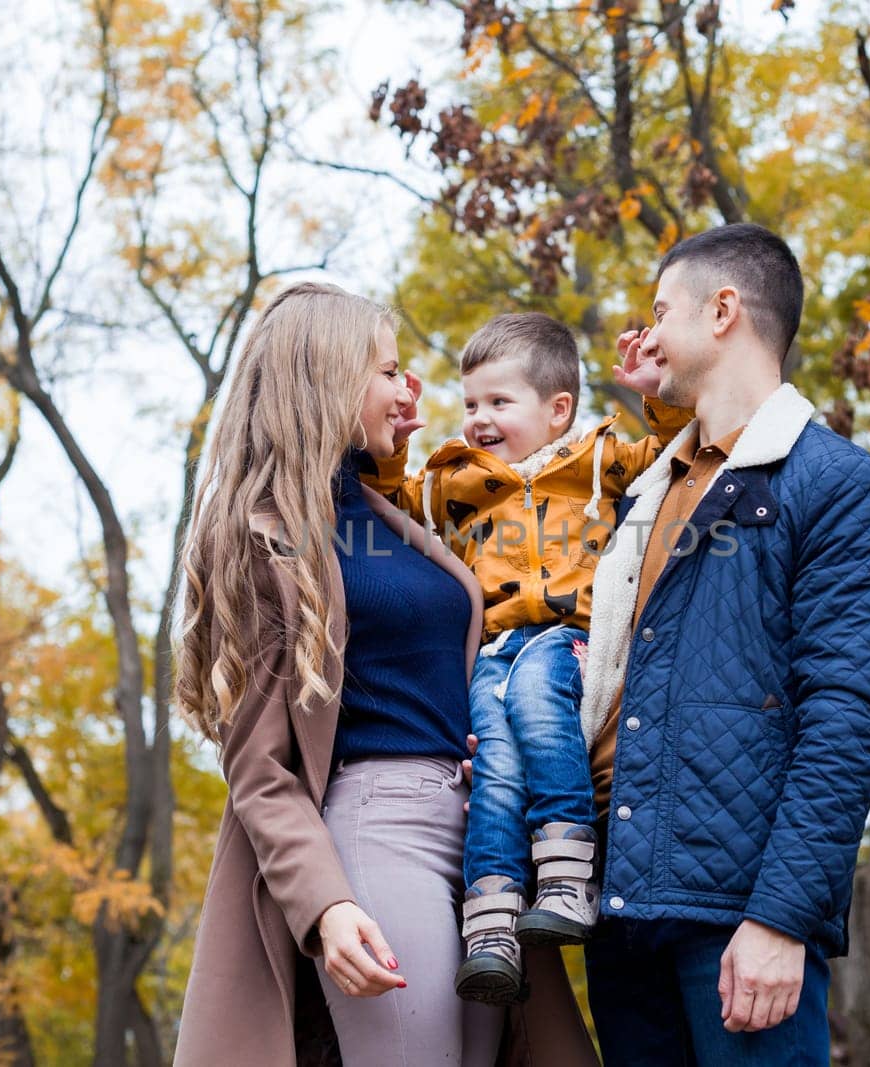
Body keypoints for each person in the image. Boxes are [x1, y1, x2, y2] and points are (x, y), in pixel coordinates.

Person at [172, 282, 596, 1067]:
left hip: (479, 834)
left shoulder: (387, 512)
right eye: (389, 371)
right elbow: (258, 768)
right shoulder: (270, 535)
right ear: (331, 378)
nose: (409, 390)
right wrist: (326, 905)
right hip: (378, 825)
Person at [576, 223, 870, 1065]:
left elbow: (850, 719)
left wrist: (780, 917)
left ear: (723, 310)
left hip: (739, 916)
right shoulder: (651, 491)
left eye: (661, 310)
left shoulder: (835, 485)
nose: (647, 333)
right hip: (624, 905)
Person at [363, 312, 688, 1004]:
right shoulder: (458, 479)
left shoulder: (597, 460)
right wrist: (392, 446)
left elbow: (667, 452)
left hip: (572, 641)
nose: (478, 418)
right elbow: (391, 503)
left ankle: (570, 870)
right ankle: (491, 921)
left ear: (557, 408)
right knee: (497, 769)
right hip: (496, 652)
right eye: (471, 402)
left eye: (499, 403)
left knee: (539, 689)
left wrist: (652, 390)